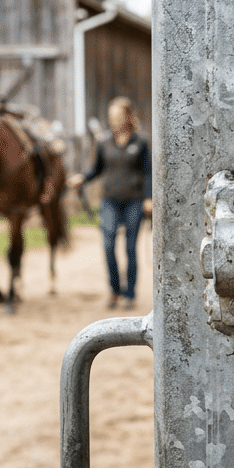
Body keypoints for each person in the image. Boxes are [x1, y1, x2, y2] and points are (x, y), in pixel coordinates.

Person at [69, 97, 153, 309]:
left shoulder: (140, 142)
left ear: (128, 116)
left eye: (117, 116)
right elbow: (97, 169)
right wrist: (83, 178)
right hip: (110, 201)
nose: (113, 120)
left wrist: (149, 198)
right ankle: (115, 290)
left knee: (130, 249)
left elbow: (148, 173)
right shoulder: (104, 142)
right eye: (111, 117)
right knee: (108, 246)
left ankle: (130, 293)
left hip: (134, 201)